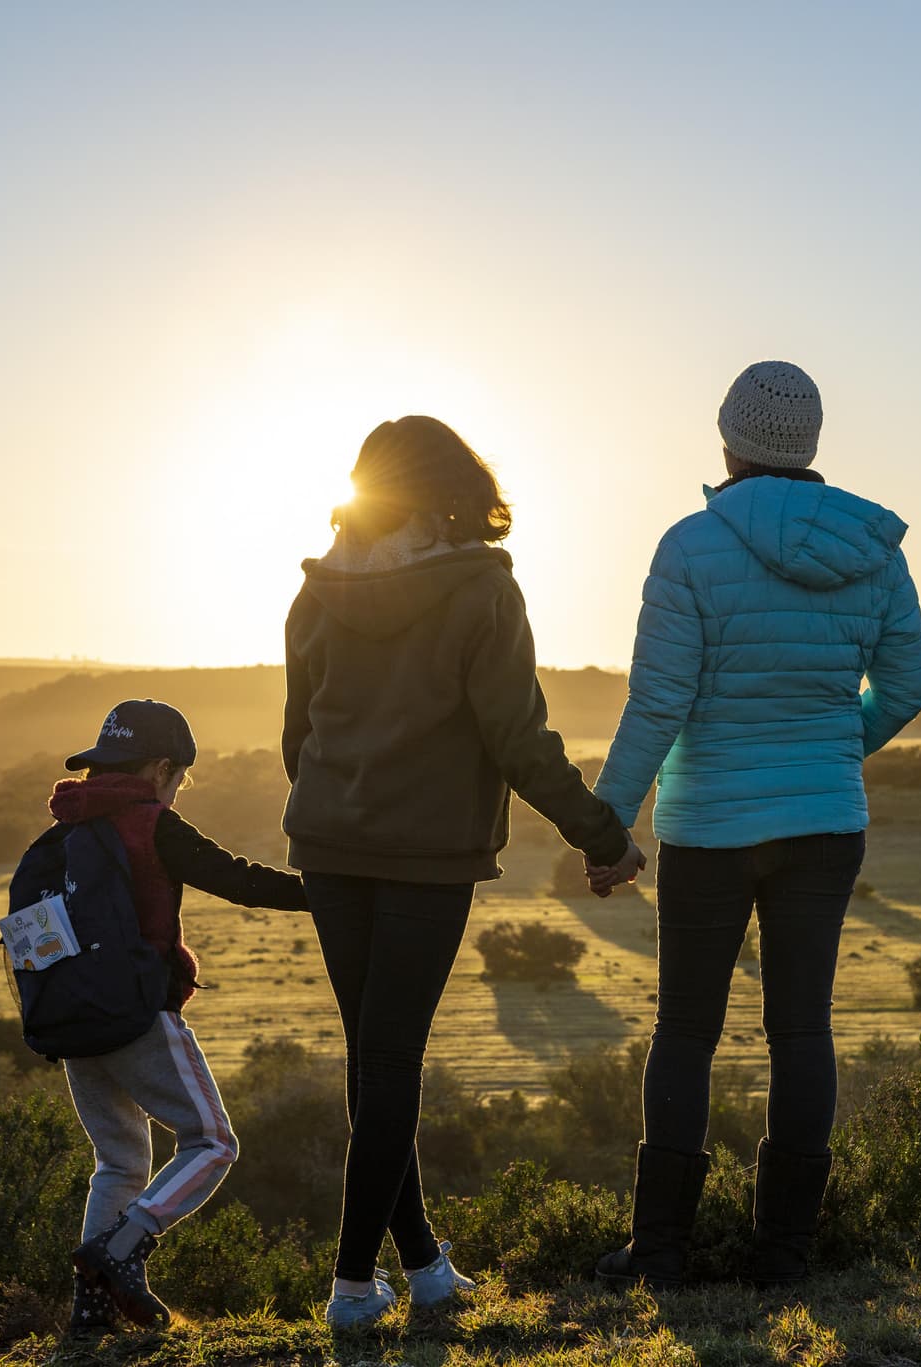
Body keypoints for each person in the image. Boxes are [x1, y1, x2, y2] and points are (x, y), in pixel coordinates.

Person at [283, 415, 643, 1329]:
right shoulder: (482, 591)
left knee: (377, 1060)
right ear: (455, 489)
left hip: (329, 846)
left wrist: (345, 809)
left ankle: (427, 1268)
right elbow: (519, 740)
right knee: (392, 1060)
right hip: (427, 858)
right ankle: (353, 1287)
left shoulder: (314, 596)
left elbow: (297, 742)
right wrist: (601, 835)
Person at [588, 361, 921, 1290]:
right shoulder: (874, 549)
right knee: (802, 1032)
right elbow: (906, 689)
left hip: (709, 829)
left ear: (729, 439)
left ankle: (659, 1252)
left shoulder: (690, 546)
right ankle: (784, 1255)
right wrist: (830, 753)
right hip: (826, 825)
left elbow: (658, 703)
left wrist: (607, 822)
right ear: (810, 444)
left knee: (687, 1032)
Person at [37, 700, 309, 1334]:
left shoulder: (64, 829)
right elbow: (238, 879)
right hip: (138, 1018)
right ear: (162, 767)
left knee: (120, 1162)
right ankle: (125, 1246)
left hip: (74, 1025)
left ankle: (92, 1313)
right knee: (213, 1142)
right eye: (180, 775)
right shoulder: (149, 823)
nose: (177, 787)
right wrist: (328, 894)